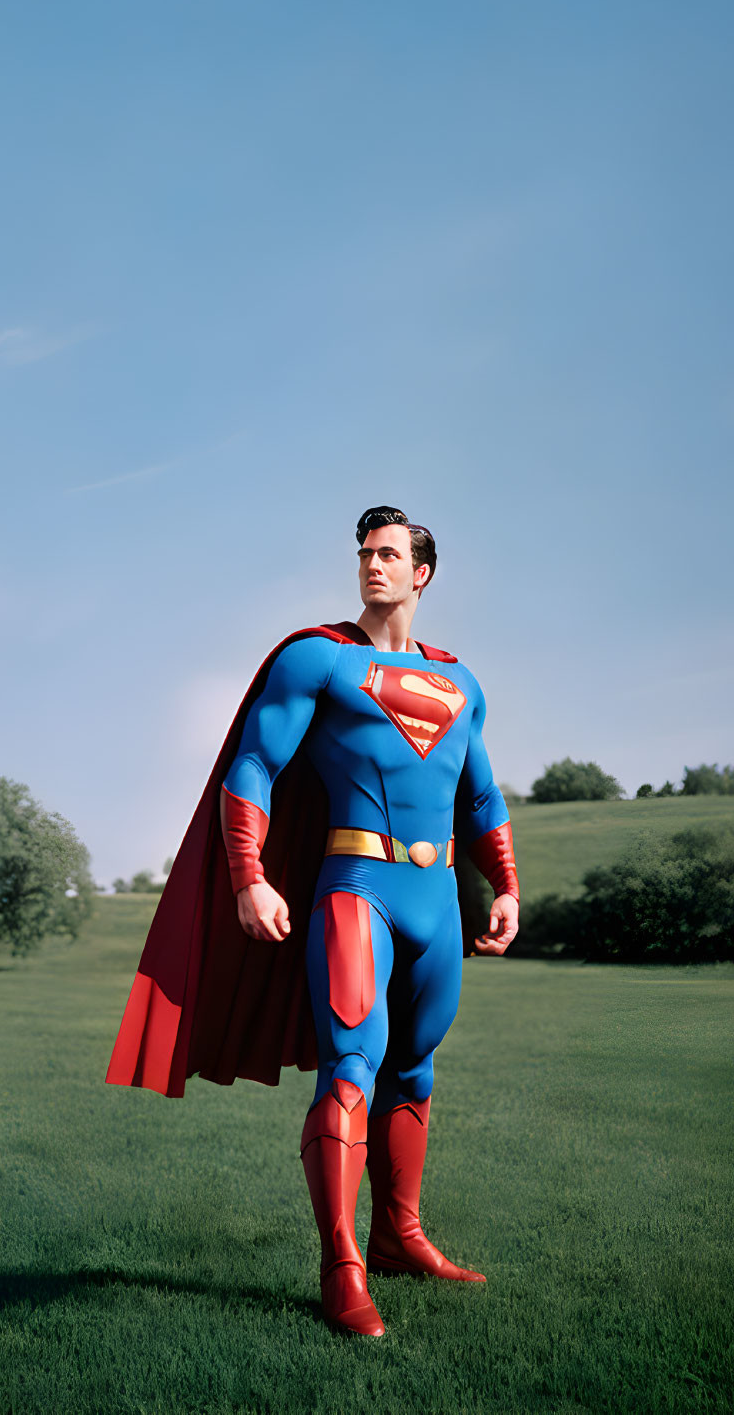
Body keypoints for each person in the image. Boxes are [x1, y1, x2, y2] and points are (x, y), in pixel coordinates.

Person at [106, 505, 519, 1338]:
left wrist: (506, 882)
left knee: (415, 1069)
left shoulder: (463, 681)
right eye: (365, 552)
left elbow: (479, 792)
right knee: (352, 1069)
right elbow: (255, 762)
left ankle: (399, 1236)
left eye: (389, 554)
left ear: (421, 573)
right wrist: (249, 877)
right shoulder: (318, 660)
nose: (373, 565)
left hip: (438, 898)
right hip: (353, 884)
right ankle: (342, 1266)